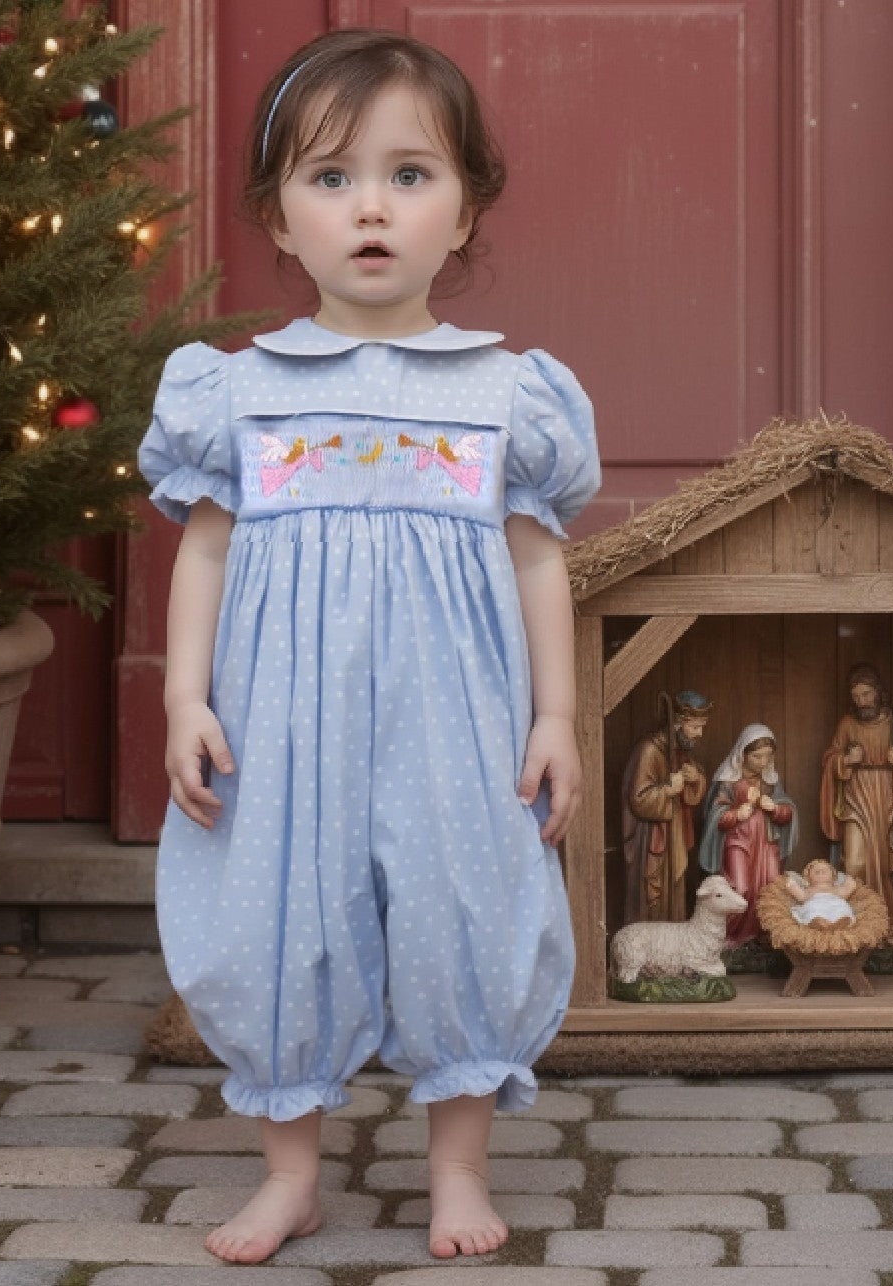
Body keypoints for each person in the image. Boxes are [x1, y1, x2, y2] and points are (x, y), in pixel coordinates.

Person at [137, 29, 600, 1267]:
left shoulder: (508, 393)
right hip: (283, 715)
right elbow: (205, 552)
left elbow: (539, 557)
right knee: (284, 912)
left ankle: (456, 1163)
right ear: (279, 220)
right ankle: (291, 1172)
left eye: (409, 175)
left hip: (454, 712)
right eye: (330, 179)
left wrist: (556, 715)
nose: (371, 209)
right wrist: (186, 694)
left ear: (465, 209)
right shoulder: (233, 393)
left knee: (461, 906)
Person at [820, 664, 893, 947]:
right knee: (854, 862)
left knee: (887, 864)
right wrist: (844, 761)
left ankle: (891, 923)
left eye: (867, 694)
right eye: (856, 696)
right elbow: (830, 757)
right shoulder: (847, 723)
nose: (862, 701)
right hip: (855, 797)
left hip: (889, 801)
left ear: (879, 692)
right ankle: (855, 925)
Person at [699, 723, 798, 948]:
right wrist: (736, 813)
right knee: (740, 888)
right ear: (742, 753)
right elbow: (714, 817)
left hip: (766, 845)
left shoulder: (770, 782)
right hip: (737, 842)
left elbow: (788, 814)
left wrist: (774, 808)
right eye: (756, 757)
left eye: (767, 757)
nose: (762, 763)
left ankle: (765, 937)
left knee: (771, 889)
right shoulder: (728, 781)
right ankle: (730, 938)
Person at [621, 691, 711, 924]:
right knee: (655, 894)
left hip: (676, 836)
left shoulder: (680, 750)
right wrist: (668, 790)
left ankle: (673, 944)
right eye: (695, 727)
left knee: (676, 886)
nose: (700, 734)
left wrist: (695, 779)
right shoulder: (650, 750)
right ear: (679, 723)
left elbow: (694, 791)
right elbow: (638, 799)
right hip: (653, 840)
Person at [785, 859, 857, 928]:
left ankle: (841, 921)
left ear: (833, 876)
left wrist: (848, 878)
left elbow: (849, 888)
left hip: (835, 902)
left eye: (824, 871)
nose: (820, 871)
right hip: (815, 902)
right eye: (816, 871)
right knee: (812, 908)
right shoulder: (809, 890)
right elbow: (801, 896)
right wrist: (791, 883)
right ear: (808, 878)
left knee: (842, 906)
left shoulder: (836, 888)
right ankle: (816, 922)